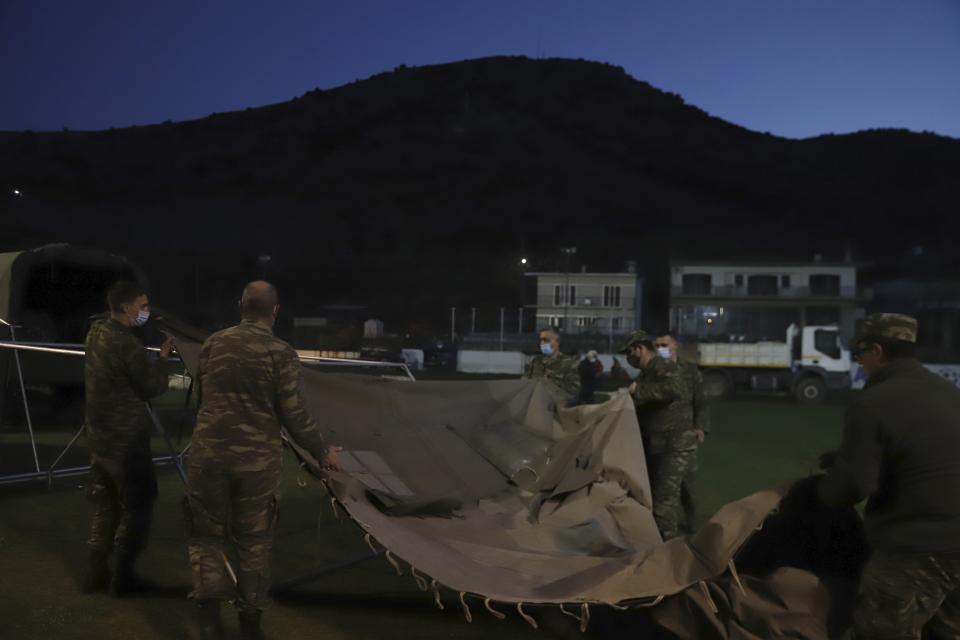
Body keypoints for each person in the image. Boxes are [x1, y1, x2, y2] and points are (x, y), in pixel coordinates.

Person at [186, 281, 340, 640]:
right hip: (256, 464)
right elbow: (294, 415)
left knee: (207, 537)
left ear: (240, 306)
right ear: (275, 310)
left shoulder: (213, 343)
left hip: (208, 456)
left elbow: (204, 398)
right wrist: (323, 452)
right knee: (253, 542)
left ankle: (209, 622)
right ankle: (250, 622)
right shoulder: (280, 352)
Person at [816, 313, 960, 639]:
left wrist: (825, 487)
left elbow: (852, 487)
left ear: (877, 352)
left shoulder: (872, 402)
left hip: (916, 550)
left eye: (860, 354)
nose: (859, 362)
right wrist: (845, 458)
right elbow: (924, 452)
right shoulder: (949, 393)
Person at [81, 280, 173, 596]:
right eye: (142, 305)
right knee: (138, 503)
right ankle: (124, 577)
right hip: (126, 441)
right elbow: (150, 387)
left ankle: (95, 574)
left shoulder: (96, 333)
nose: (145, 311)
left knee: (106, 505)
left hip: (100, 438)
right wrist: (162, 361)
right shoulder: (126, 343)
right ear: (126, 307)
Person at [620, 330, 691, 540]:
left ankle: (667, 551)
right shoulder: (648, 372)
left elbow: (674, 388)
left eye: (629, 352)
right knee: (653, 497)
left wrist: (638, 392)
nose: (628, 358)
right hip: (657, 442)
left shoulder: (662, 365)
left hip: (672, 444)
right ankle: (657, 544)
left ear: (639, 349)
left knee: (664, 501)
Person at [655, 331, 709, 532]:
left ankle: (695, 523)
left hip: (686, 436)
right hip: (662, 438)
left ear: (675, 345)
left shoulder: (690, 371)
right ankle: (665, 528)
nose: (661, 348)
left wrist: (700, 426)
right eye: (657, 345)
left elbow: (701, 401)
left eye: (664, 344)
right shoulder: (654, 372)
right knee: (665, 485)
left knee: (689, 486)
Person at [523, 327, 580, 406]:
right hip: (532, 405)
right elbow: (524, 383)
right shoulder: (536, 362)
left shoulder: (569, 363)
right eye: (541, 340)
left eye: (546, 340)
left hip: (555, 408)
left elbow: (574, 391)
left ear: (557, 342)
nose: (542, 343)